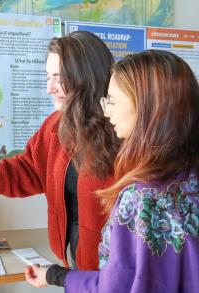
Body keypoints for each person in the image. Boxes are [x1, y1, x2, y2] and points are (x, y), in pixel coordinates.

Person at [25, 50, 199, 291]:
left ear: (148, 106)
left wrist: (56, 276)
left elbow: (115, 286)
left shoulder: (140, 199)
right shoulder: (189, 176)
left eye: (112, 101)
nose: (107, 112)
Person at [0, 30, 120, 277]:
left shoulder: (120, 129)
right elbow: (30, 166)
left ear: (85, 76)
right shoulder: (56, 125)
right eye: (48, 77)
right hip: (73, 257)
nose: (49, 88)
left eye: (58, 78)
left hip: (113, 266)